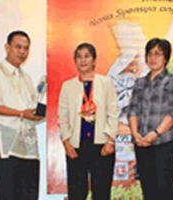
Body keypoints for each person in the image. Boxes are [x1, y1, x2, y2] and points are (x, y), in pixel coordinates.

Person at [0, 30, 43, 200]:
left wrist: (38, 114)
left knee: (29, 195)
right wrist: (22, 113)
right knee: (6, 195)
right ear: (7, 47)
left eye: (26, 48)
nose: (22, 51)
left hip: (28, 149)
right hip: (5, 145)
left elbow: (31, 109)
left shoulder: (27, 79)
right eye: (18, 47)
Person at [58, 43, 118, 200]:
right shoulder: (68, 86)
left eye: (87, 56)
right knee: (76, 193)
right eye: (79, 57)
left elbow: (113, 113)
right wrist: (66, 142)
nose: (83, 60)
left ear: (94, 60)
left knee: (102, 193)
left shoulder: (106, 83)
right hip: (76, 147)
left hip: (102, 145)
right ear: (75, 61)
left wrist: (110, 140)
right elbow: (62, 117)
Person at [127, 38, 173, 200]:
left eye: (158, 54)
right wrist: (136, 135)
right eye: (150, 54)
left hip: (164, 144)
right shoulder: (140, 83)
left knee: (165, 188)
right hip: (142, 145)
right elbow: (132, 110)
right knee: (148, 189)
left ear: (165, 58)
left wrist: (155, 134)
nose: (153, 58)